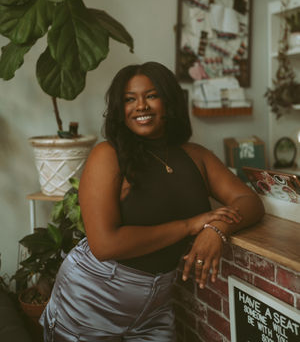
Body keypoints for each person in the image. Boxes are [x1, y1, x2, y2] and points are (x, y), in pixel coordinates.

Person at [40, 61, 264, 341]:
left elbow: (249, 200)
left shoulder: (196, 155)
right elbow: (104, 244)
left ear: (169, 102)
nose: (141, 106)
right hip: (93, 297)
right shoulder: (107, 155)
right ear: (120, 110)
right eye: (129, 99)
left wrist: (216, 230)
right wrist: (189, 226)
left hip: (156, 305)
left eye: (151, 95)